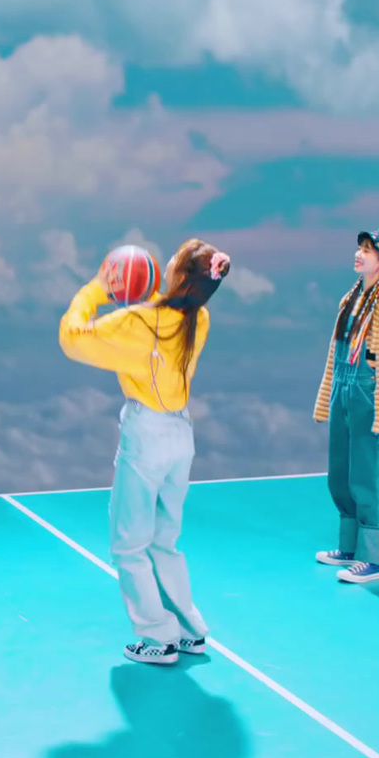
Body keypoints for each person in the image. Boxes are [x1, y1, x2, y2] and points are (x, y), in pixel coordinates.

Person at [59, 239, 231, 665]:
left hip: (146, 437)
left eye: (173, 259)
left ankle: (157, 638)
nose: (166, 260)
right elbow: (170, 308)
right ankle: (190, 630)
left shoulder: (138, 321)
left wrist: (98, 289)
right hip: (180, 434)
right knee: (164, 540)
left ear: (178, 275)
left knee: (128, 545)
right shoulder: (199, 317)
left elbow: (73, 338)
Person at [312, 226, 379, 583]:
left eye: (368, 250)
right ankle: (350, 546)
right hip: (343, 389)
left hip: (367, 392)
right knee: (340, 472)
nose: (359, 254)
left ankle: (373, 558)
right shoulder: (348, 300)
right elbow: (331, 355)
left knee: (368, 475)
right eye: (360, 247)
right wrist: (325, 400)